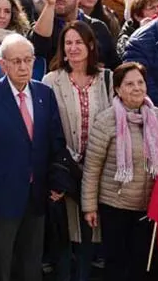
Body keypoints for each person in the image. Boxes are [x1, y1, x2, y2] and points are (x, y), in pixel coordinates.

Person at [0, 33, 67, 281]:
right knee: (1, 261)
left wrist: (57, 182)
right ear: (3, 64)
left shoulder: (45, 93)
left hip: (38, 193)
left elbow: (55, 141)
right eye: (16, 61)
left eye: (28, 60)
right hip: (2, 192)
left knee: (32, 261)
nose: (23, 67)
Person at [81, 62, 158, 281]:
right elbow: (92, 168)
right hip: (115, 206)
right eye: (129, 84)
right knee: (118, 265)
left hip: (149, 207)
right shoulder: (106, 121)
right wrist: (89, 207)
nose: (137, 88)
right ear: (118, 90)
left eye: (140, 82)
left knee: (143, 264)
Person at [41, 22, 112, 281]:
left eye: (78, 42)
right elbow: (45, 129)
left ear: (90, 45)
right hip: (63, 169)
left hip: (98, 170)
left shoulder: (107, 79)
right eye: (68, 43)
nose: (73, 48)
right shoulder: (51, 81)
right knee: (64, 234)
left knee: (90, 233)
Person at [30, 0, 120, 70]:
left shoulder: (97, 27)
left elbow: (114, 64)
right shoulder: (45, 27)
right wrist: (49, 4)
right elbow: (38, 46)